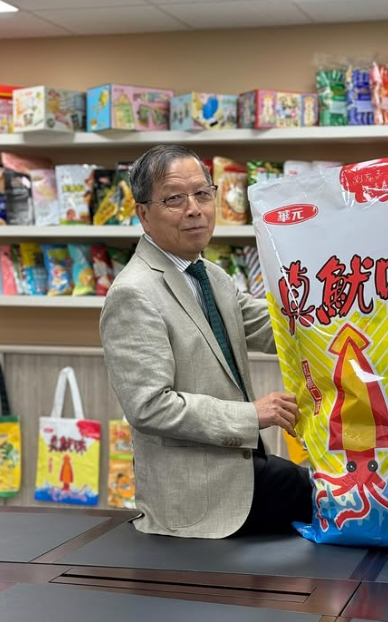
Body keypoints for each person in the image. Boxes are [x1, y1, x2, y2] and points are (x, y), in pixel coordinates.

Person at [99, 144, 313, 538]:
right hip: (199, 493)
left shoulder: (210, 276)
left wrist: (352, 310)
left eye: (202, 194)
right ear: (143, 214)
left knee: (338, 493)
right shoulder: (133, 292)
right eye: (174, 199)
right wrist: (253, 415)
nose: (194, 209)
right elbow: (150, 407)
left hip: (242, 467)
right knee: (333, 500)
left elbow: (275, 329)